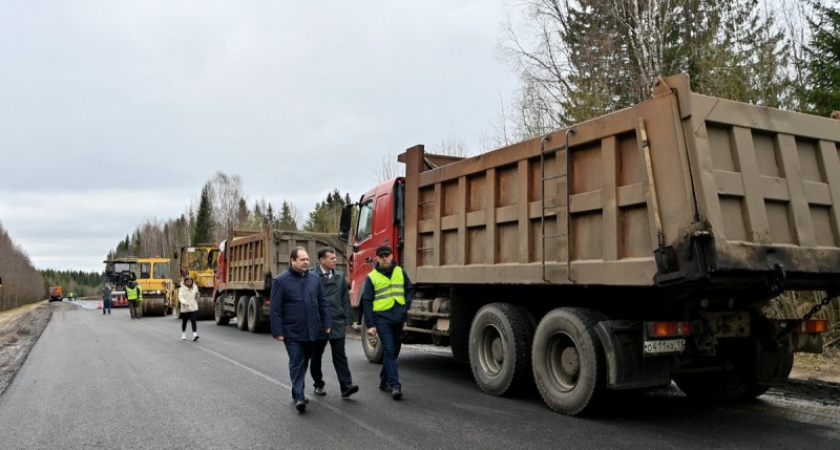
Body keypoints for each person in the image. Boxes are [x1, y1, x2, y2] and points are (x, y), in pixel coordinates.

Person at [270, 247, 332, 413]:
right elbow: (275, 309)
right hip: (292, 332)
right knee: (297, 361)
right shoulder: (281, 281)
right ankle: (299, 396)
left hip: (312, 330)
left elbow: (323, 301)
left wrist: (326, 322)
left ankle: (296, 389)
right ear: (292, 261)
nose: (306, 262)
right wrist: (278, 331)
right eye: (302, 259)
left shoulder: (314, 278)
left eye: (307, 259)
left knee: (304, 361)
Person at [361, 245, 414, 400]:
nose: (385, 258)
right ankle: (395, 385)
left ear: (392, 256)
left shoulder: (400, 272)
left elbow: (409, 289)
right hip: (382, 318)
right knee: (389, 350)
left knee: (394, 349)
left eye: (387, 255)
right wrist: (370, 325)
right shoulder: (372, 277)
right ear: (378, 258)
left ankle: (384, 381)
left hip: (398, 317)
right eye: (382, 256)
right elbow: (367, 302)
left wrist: (406, 306)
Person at [309, 247, 358, 399]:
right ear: (322, 260)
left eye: (335, 258)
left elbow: (344, 299)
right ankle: (318, 384)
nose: (335, 261)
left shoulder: (339, 276)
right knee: (316, 356)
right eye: (331, 258)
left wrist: (348, 319)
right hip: (319, 323)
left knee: (340, 355)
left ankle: (346, 386)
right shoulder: (311, 276)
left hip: (336, 321)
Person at [179, 276, 200, 341]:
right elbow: (180, 297)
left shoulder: (195, 287)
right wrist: (185, 302)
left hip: (193, 306)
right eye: (187, 281)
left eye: (190, 281)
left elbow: (196, 296)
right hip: (185, 307)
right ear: (185, 282)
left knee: (193, 320)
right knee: (184, 321)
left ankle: (195, 334)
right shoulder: (182, 289)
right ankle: (183, 334)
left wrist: (197, 296)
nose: (189, 283)